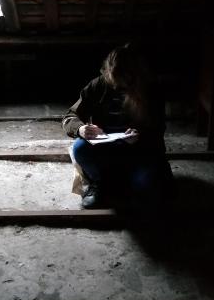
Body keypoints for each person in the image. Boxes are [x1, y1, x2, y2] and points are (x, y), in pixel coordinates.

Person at [62, 43, 174, 209]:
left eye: (124, 81)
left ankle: (127, 180)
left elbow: (158, 129)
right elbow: (70, 117)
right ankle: (99, 182)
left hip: (140, 151)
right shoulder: (98, 85)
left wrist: (140, 137)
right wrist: (80, 129)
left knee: (148, 194)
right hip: (106, 148)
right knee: (80, 148)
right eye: (114, 80)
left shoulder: (150, 89)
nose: (118, 86)